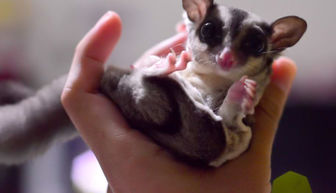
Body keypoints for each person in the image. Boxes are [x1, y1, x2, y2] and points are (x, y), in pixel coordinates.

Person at [61, 11, 297, 193]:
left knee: (218, 136)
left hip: (202, 132)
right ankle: (153, 76)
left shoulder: (245, 88)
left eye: (252, 45)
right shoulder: (189, 68)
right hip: (170, 111)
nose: (227, 55)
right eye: (212, 33)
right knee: (119, 79)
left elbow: (226, 139)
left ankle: (154, 78)